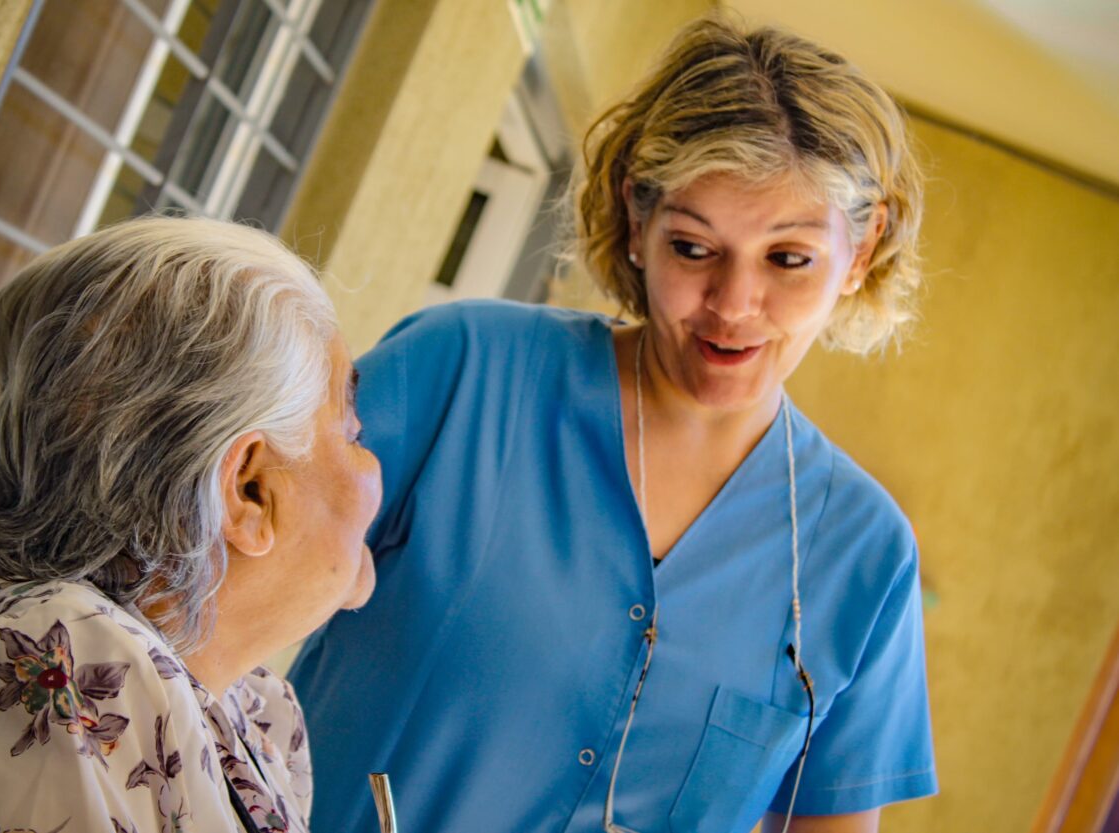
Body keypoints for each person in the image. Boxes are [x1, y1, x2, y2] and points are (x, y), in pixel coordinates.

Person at [290, 14, 935, 833]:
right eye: (695, 249)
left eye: (788, 259)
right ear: (638, 222)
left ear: (863, 249)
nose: (734, 306)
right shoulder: (464, 371)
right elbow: (212, 586)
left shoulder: (865, 556)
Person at [0, 217, 381, 832]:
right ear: (249, 491)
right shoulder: (57, 673)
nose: (375, 463)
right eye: (352, 433)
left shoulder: (253, 711)